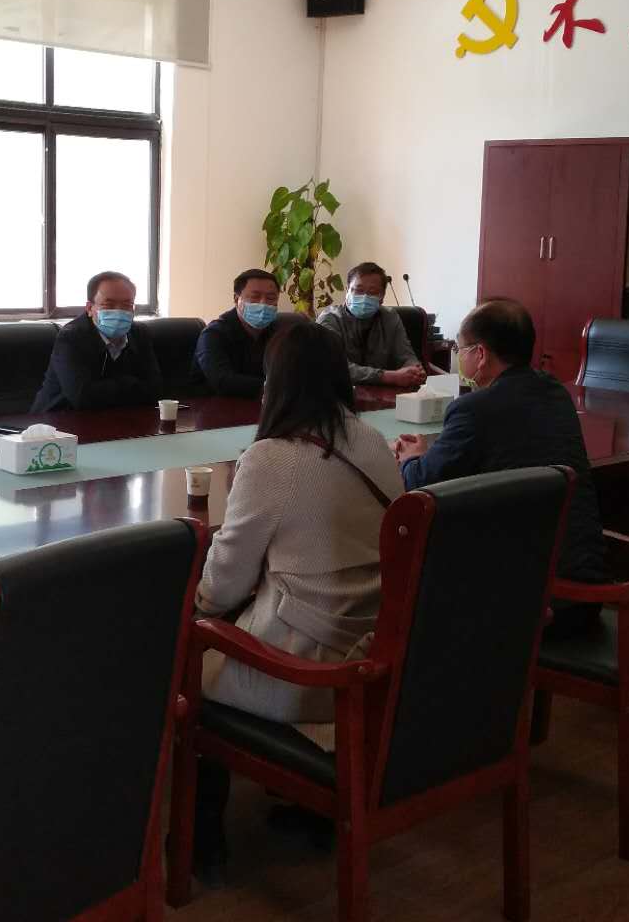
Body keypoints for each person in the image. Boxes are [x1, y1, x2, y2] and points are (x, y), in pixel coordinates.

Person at [192, 323, 403, 880]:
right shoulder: (371, 439)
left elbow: (224, 583)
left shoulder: (272, 457)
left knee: (189, 656)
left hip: (306, 669)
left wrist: (196, 607)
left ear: (276, 383)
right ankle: (310, 812)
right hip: (370, 654)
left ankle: (199, 841)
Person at [393, 299, 610, 633]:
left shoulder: (473, 409)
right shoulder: (555, 393)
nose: (458, 356)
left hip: (529, 604)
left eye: (459, 348)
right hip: (585, 592)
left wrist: (411, 458)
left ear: (480, 354)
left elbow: (420, 484)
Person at [31, 271, 162, 412]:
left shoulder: (140, 333)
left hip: (119, 418)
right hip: (59, 419)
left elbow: (155, 390)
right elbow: (82, 397)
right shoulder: (71, 337)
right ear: (89, 308)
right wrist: (130, 383)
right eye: (109, 305)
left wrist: (103, 388)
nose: (119, 311)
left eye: (127, 305)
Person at [316, 261, 427, 388]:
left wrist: (415, 370)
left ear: (382, 297)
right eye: (358, 290)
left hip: (382, 394)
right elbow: (335, 367)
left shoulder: (390, 317)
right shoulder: (329, 319)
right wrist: (389, 377)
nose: (364, 297)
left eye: (372, 292)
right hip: (337, 394)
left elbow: (406, 355)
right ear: (347, 291)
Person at [193, 268, 287, 398]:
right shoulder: (213, 334)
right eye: (255, 297)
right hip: (214, 405)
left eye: (271, 298)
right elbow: (223, 381)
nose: (263, 304)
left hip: (266, 405)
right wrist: (277, 388)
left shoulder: (280, 333)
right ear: (237, 299)